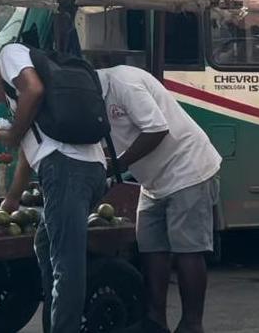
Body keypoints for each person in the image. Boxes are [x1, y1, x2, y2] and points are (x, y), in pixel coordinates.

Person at [0, 44, 107, 333]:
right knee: (45, 244)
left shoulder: (10, 55)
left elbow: (34, 89)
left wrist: (14, 134)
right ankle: (53, 322)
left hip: (67, 170)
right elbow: (31, 153)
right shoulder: (24, 106)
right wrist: (12, 199)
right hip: (89, 170)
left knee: (66, 265)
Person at [97, 64, 222, 333]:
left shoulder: (124, 83)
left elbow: (156, 130)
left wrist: (116, 166)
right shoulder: (93, 100)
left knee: (187, 250)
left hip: (188, 169)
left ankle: (191, 324)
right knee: (151, 249)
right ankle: (155, 321)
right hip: (152, 181)